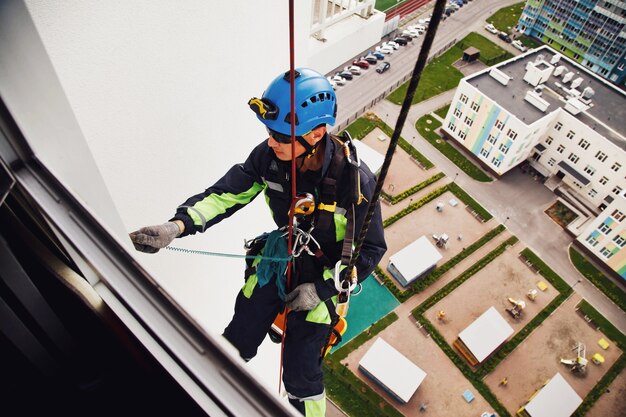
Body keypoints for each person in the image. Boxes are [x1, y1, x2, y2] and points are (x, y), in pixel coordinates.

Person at [129, 68, 386, 417]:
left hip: (325, 274)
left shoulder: (354, 181)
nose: (270, 141)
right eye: (269, 131)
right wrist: (177, 226)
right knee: (238, 336)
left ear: (317, 132)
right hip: (281, 257)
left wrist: (323, 289)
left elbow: (370, 251)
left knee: (301, 374)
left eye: (281, 135)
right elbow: (226, 194)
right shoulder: (270, 159)